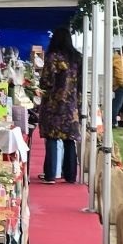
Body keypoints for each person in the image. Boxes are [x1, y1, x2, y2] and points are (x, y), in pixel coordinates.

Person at [36, 22, 84, 182]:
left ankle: (50, 175)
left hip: (54, 104)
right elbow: (81, 83)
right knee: (70, 139)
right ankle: (70, 176)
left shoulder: (53, 57)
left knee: (52, 138)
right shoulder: (77, 58)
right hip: (71, 106)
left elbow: (46, 82)